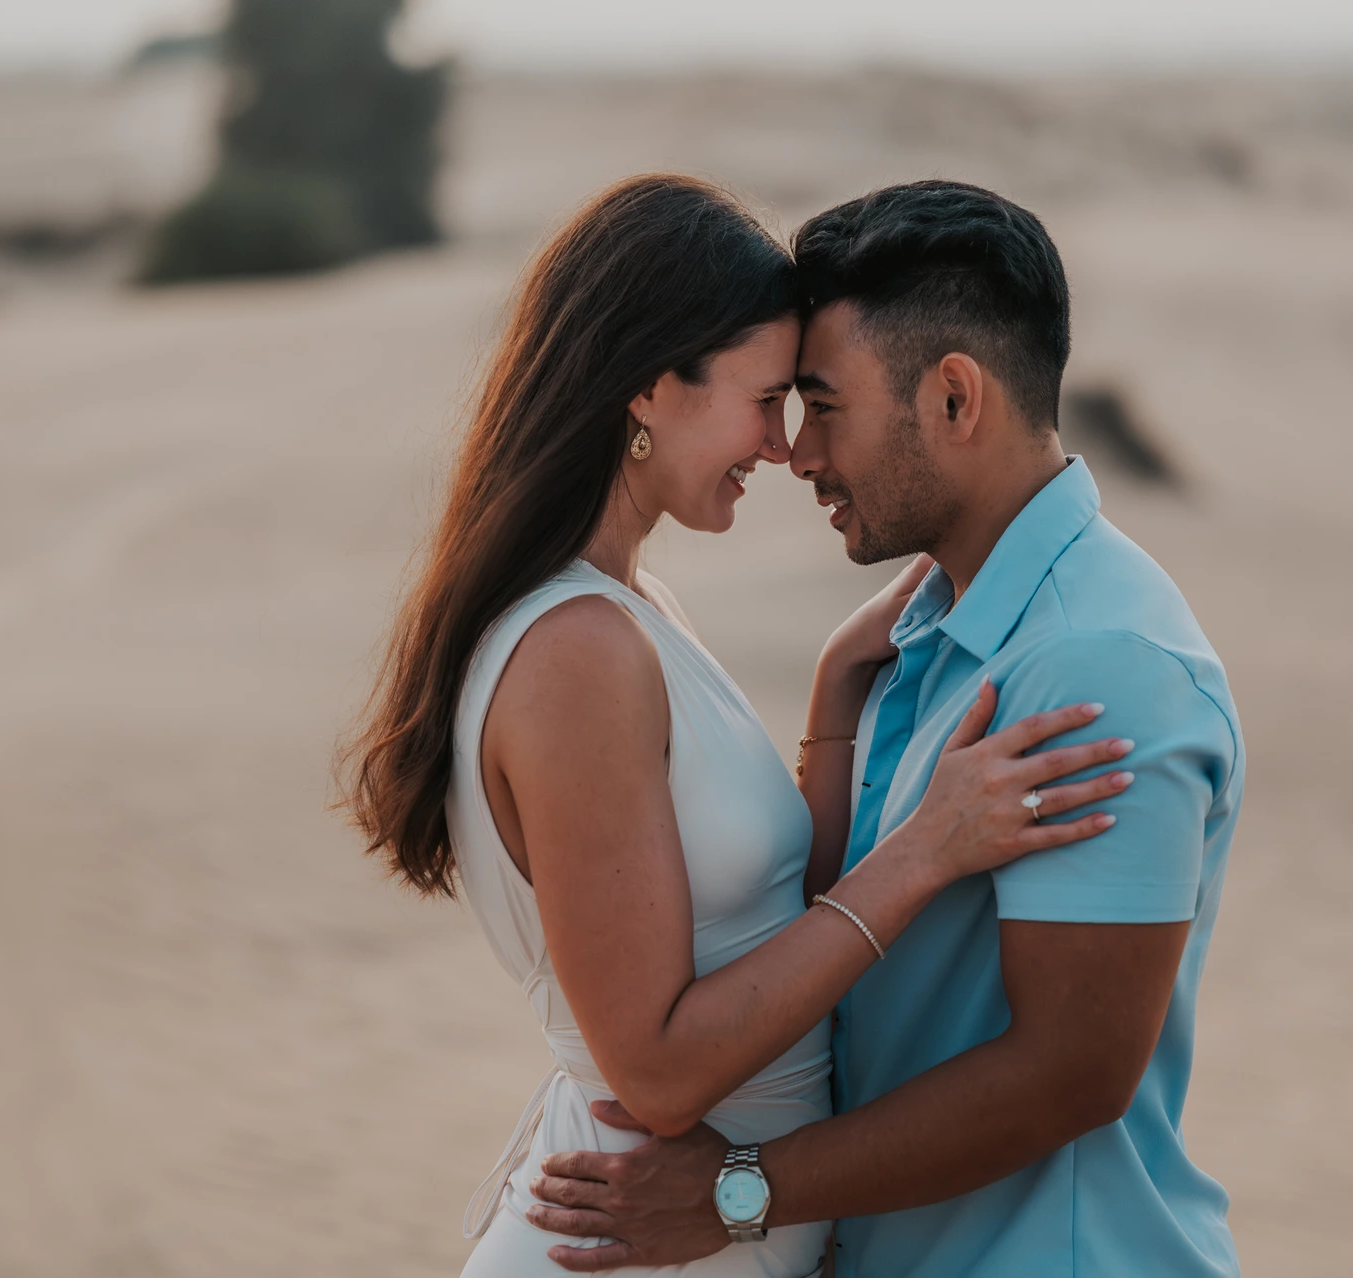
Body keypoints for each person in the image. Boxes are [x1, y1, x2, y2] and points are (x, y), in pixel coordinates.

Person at [336, 174, 1135, 1277]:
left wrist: (835, 698)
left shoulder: (630, 611)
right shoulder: (578, 653)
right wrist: (925, 852)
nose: (779, 445)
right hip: (645, 1245)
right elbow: (661, 1072)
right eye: (765, 398)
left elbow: (765, 923)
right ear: (648, 388)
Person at [525, 182, 1244, 1277]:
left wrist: (739, 1193)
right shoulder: (929, 632)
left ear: (954, 399)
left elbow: (1070, 1074)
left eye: (824, 406)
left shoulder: (1098, 661)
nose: (800, 453)